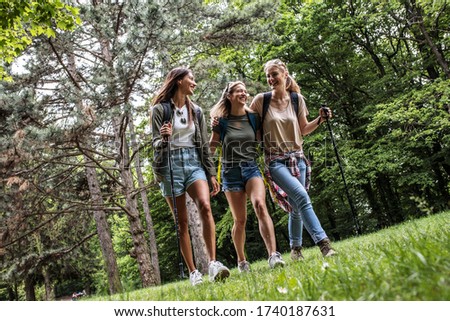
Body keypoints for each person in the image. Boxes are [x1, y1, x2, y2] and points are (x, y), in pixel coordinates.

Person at [249, 59, 337, 260]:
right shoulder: (260, 101)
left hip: (297, 158)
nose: (271, 79)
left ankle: (296, 250)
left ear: (285, 73)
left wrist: (321, 119)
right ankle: (324, 244)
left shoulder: (297, 99)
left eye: (274, 74)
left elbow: (303, 129)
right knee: (302, 197)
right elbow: (249, 126)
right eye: (268, 76)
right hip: (275, 161)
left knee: (297, 205)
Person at [151, 67, 230, 286]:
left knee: (205, 205)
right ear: (178, 81)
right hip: (169, 165)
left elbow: (204, 145)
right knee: (181, 222)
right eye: (191, 79)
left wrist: (211, 173)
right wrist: (163, 137)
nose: (194, 83)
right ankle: (194, 272)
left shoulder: (196, 111)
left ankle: (213, 263)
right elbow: (155, 143)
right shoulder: (159, 110)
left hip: (193, 162)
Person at [209, 81, 285, 273]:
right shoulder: (221, 122)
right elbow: (212, 146)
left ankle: (273, 255)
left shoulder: (253, 117)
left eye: (245, 91)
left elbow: (263, 139)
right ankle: (242, 262)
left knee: (260, 204)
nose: (244, 93)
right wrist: (207, 170)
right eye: (238, 91)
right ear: (229, 96)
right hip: (230, 172)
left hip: (251, 168)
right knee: (240, 220)